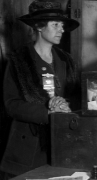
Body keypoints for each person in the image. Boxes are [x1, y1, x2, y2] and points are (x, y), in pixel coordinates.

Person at [0, 0, 80, 177]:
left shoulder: (67, 60)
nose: (62, 29)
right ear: (38, 26)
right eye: (55, 24)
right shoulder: (18, 61)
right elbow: (11, 104)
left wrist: (64, 105)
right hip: (29, 146)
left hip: (63, 142)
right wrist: (48, 113)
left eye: (62, 25)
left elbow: (77, 96)